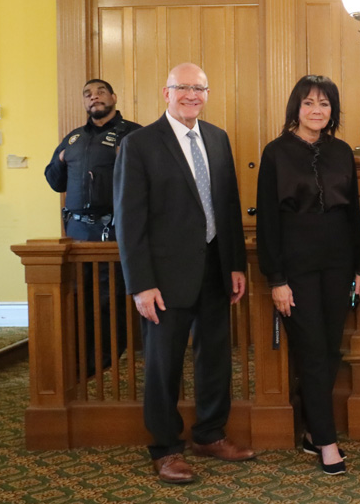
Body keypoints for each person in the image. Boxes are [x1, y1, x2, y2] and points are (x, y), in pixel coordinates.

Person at [113, 63, 253, 484]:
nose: (192, 95)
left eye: (199, 88)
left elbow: (227, 205)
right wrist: (141, 284)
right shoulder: (139, 144)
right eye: (183, 87)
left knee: (216, 358)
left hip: (215, 269)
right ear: (166, 92)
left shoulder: (217, 138)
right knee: (163, 365)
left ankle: (209, 434)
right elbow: (129, 221)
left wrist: (235, 264)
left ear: (207, 94)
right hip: (164, 277)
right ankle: (165, 449)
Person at [255, 75, 360, 475]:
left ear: (332, 111)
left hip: (339, 264)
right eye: (308, 103)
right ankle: (326, 440)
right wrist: (276, 278)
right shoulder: (276, 153)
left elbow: (353, 213)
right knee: (312, 351)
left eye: (324, 104)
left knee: (331, 349)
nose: (316, 110)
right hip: (296, 267)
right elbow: (268, 222)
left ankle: (311, 432)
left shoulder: (341, 151)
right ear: (296, 108)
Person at [44, 78, 141, 376]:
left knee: (109, 298)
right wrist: (60, 160)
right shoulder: (73, 139)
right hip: (77, 233)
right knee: (78, 297)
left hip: (114, 231)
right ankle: (81, 363)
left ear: (114, 97)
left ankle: (105, 360)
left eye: (100, 92)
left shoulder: (134, 134)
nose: (94, 97)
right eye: (88, 94)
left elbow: (151, 181)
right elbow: (54, 182)